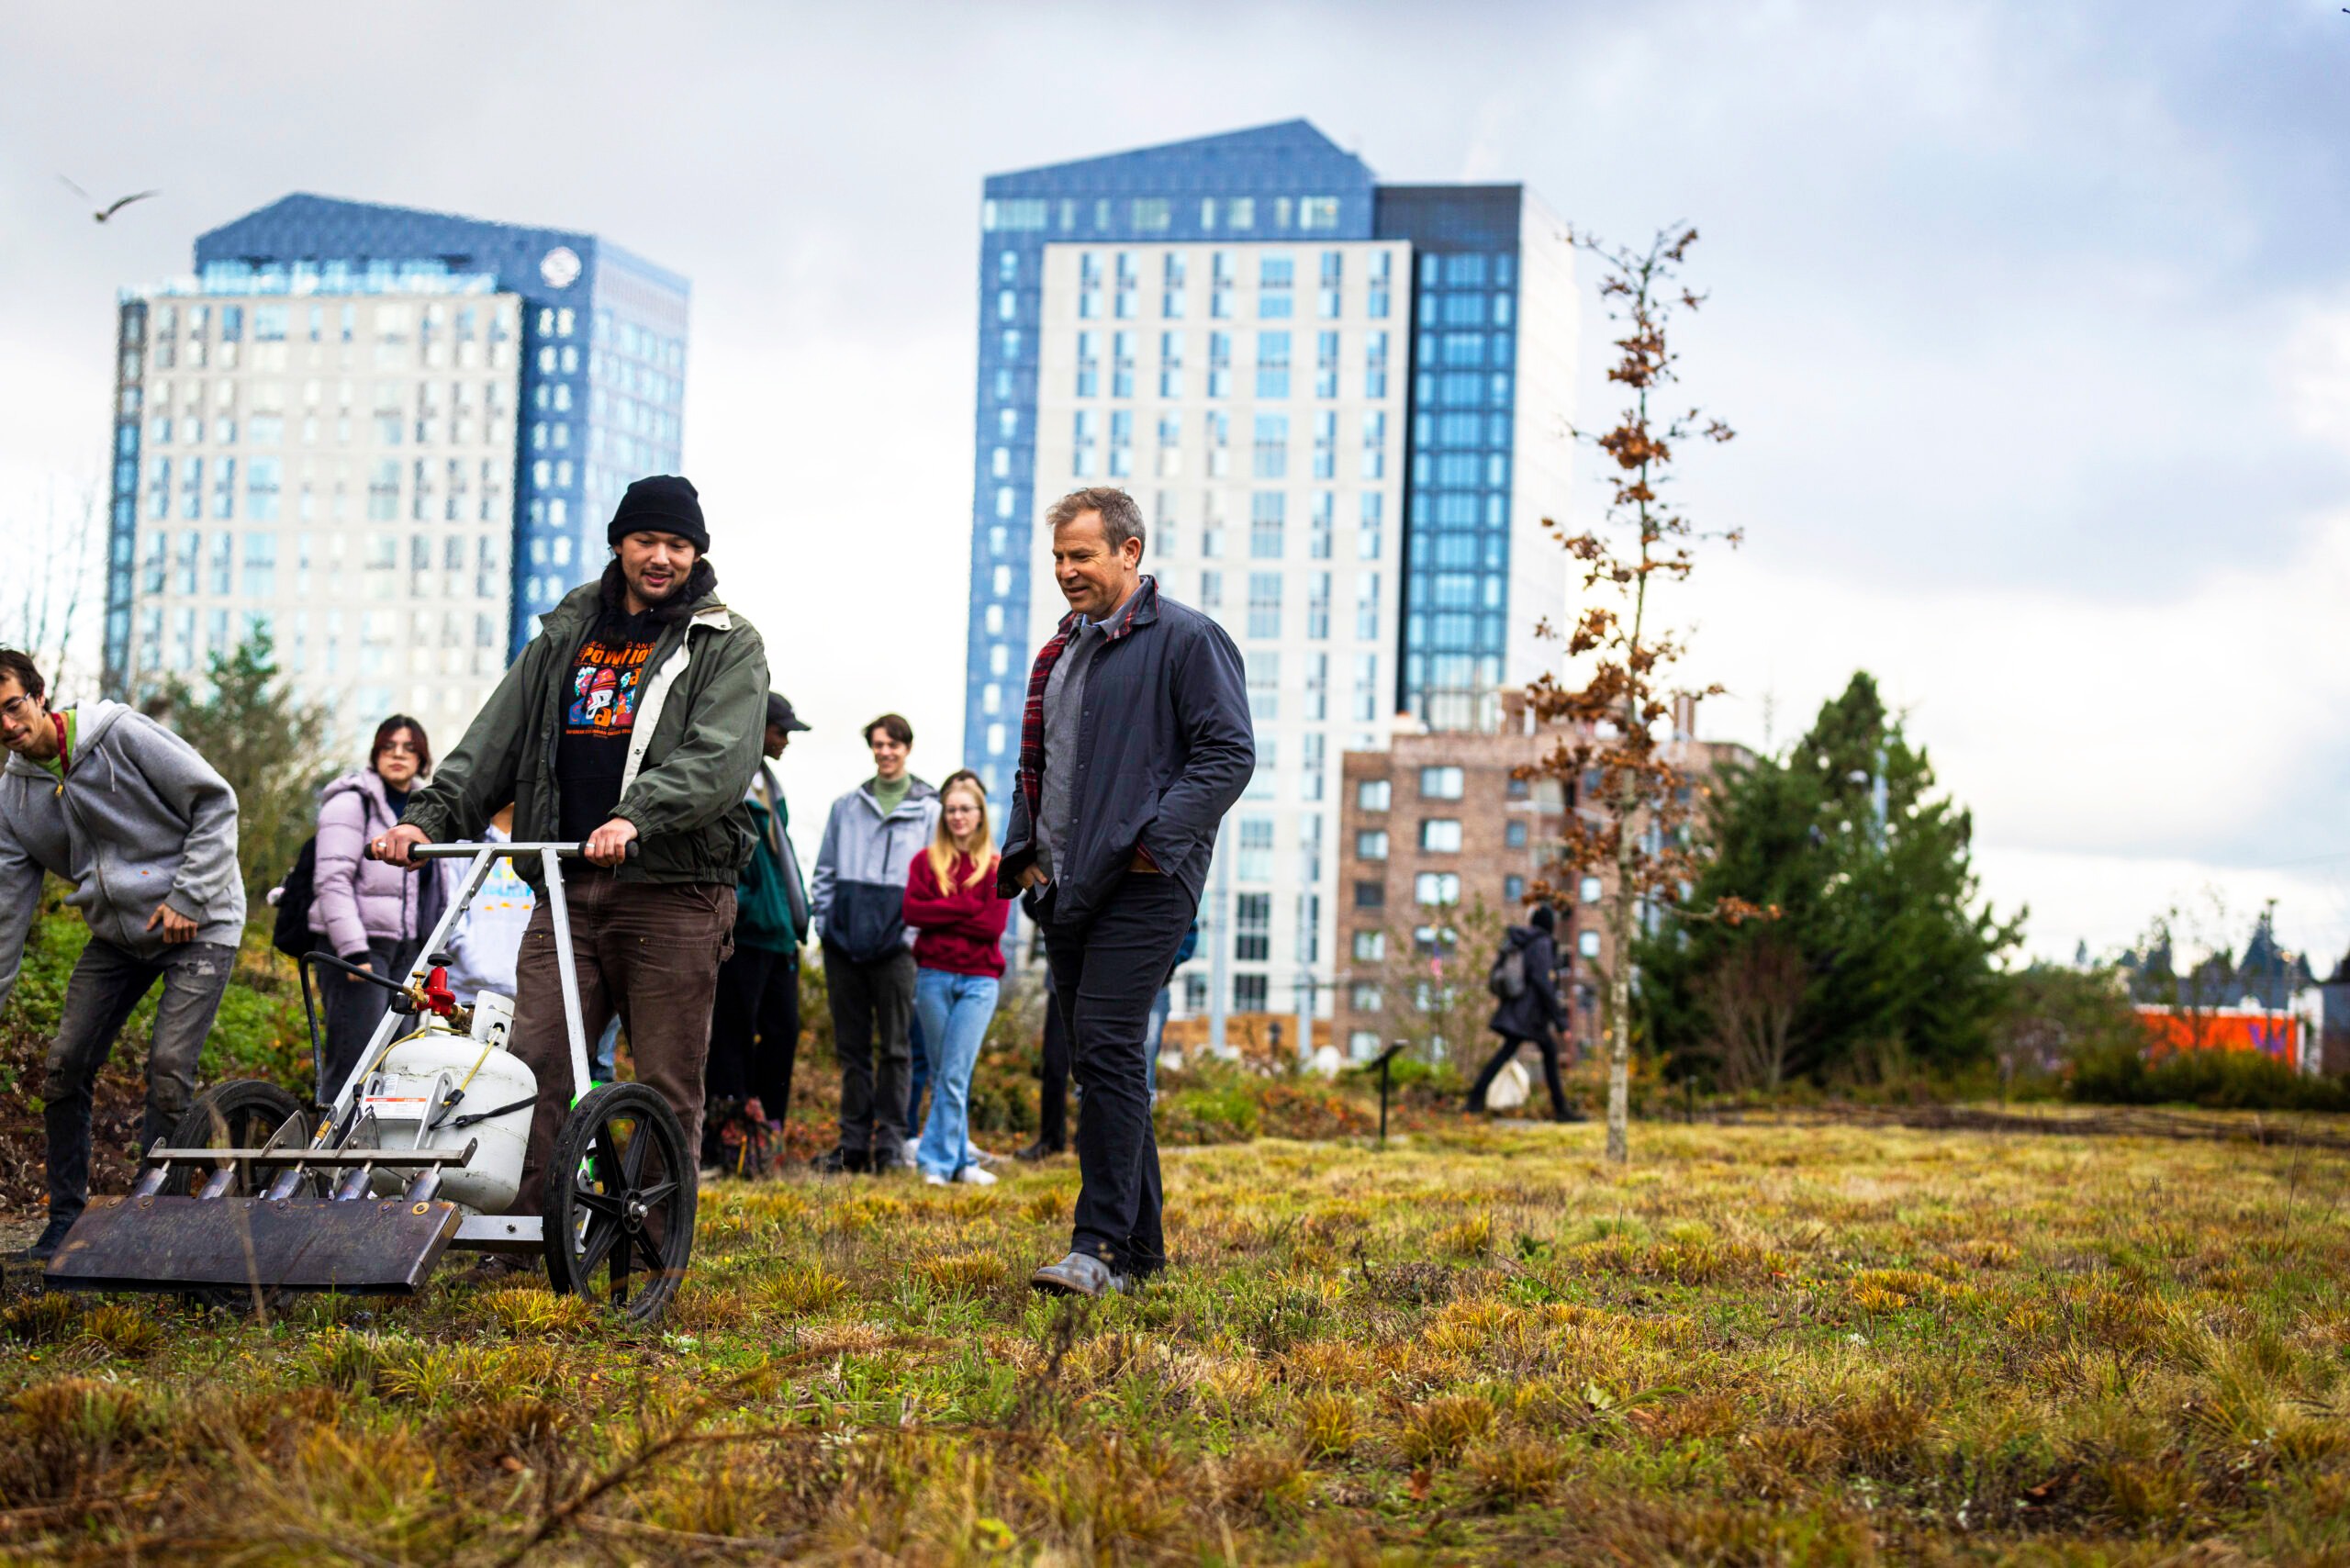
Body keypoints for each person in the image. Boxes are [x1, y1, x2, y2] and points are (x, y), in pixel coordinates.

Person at [381, 474, 767, 1220]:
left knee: (663, 1082)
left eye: (678, 545)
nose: (661, 557)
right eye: (647, 540)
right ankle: (525, 1230)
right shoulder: (564, 637)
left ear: (697, 552)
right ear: (619, 543)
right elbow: (491, 742)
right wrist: (424, 819)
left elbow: (720, 759)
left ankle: (648, 1244)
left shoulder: (727, 643)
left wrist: (637, 816)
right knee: (536, 1068)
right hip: (563, 888)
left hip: (673, 891)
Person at [1002, 487, 1253, 1297]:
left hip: (1145, 881)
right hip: (1068, 883)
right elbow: (1039, 766)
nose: (1067, 571)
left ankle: (1099, 1246)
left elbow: (1228, 754)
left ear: (1129, 551)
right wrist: (1023, 852)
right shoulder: (1061, 650)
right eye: (1058, 558)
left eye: (1082, 555)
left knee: (1108, 1049)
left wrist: (1152, 842)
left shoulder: (1187, 639)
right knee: (1099, 1059)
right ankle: (1141, 1255)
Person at [0, 648, 244, 1262]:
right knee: (65, 1064)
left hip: (201, 922)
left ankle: (149, 1222)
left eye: (12, 705)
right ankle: (66, 1222)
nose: (7, 724)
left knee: (166, 1070)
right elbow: (8, 911)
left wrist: (189, 896)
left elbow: (216, 803)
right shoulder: (13, 799)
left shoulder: (122, 734)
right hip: (117, 937)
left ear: (38, 695)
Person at [809, 714, 938, 1174]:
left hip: (898, 950)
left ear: (907, 747)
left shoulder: (930, 809)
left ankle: (890, 1143)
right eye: (878, 745)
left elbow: (936, 878)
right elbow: (824, 872)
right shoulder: (847, 806)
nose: (885, 752)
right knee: (853, 1050)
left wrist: (909, 935)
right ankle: (853, 1145)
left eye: (893, 744)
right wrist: (825, 924)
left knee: (897, 1048)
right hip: (844, 946)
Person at [309, 716, 446, 1094]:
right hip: (360, 948)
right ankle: (332, 1147)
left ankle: (378, 1151)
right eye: (389, 746)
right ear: (375, 754)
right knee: (355, 1059)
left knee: (399, 1058)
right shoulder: (352, 802)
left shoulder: (429, 809)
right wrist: (353, 950)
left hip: (409, 952)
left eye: (409, 747)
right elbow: (332, 878)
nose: (398, 754)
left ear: (423, 758)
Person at [705, 692, 811, 1152]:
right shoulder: (731, 781)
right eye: (780, 730)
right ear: (758, 727)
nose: (786, 740)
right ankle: (728, 1135)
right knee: (731, 1035)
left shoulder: (773, 785)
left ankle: (766, 1132)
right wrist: (743, 907)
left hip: (781, 938)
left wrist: (794, 916)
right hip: (744, 935)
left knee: (783, 1032)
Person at [903, 769, 1011, 1187]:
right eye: (951, 810)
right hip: (933, 977)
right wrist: (967, 905)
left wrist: (944, 910)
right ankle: (961, 1161)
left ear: (980, 814)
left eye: (965, 809)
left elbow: (991, 927)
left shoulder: (998, 866)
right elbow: (913, 913)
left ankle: (935, 1163)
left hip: (979, 982)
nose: (958, 817)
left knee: (953, 1071)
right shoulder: (924, 862)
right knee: (945, 1071)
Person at [1466, 904, 1579, 1122]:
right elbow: (1544, 983)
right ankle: (1562, 1110)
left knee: (1524, 1053)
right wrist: (1561, 1023)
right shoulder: (1542, 944)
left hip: (1521, 1009)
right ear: (1549, 924)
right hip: (1530, 1013)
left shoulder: (1525, 940)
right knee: (1543, 1054)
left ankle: (1475, 1100)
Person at [440, 803, 533, 1005]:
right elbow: (449, 905)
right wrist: (470, 956)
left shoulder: (539, 843)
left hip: (528, 988)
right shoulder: (464, 842)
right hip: (467, 988)